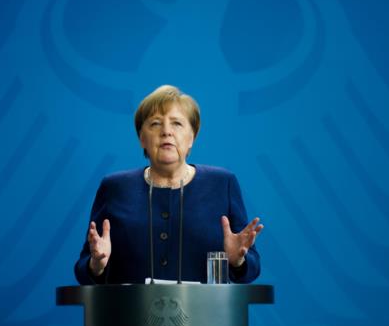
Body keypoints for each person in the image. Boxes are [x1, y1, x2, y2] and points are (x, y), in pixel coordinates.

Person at [74, 85, 263, 285]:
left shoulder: (223, 184)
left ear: (192, 137)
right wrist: (97, 263)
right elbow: (83, 268)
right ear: (142, 138)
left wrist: (238, 260)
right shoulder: (114, 188)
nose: (166, 132)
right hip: (127, 314)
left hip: (205, 314)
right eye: (155, 124)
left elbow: (252, 268)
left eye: (177, 124)